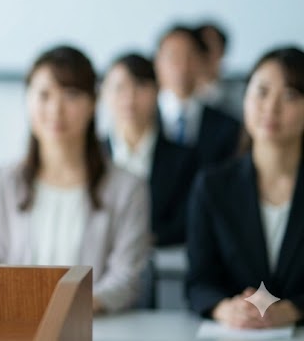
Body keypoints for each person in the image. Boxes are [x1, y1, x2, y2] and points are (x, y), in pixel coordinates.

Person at [0, 46, 150, 313]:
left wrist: (68, 309)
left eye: (71, 94)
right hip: (14, 325)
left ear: (93, 103)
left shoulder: (127, 188)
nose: (56, 109)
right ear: (28, 100)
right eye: (44, 95)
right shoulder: (1, 182)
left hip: (94, 329)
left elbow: (126, 279)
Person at [186, 46, 304, 329]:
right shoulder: (212, 186)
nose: (271, 107)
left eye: (289, 95)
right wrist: (225, 308)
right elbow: (199, 282)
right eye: (261, 92)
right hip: (237, 333)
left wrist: (294, 310)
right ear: (245, 98)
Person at [101, 53, 197, 247]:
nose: (130, 97)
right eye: (119, 88)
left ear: (157, 91)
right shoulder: (90, 156)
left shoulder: (186, 159)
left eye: (140, 86)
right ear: (104, 94)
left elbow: (188, 222)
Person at [155, 25, 240, 167]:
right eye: (173, 57)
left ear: (202, 62)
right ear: (157, 62)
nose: (182, 66)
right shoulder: (141, 116)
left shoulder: (227, 126)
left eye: (189, 56)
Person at [195, 22, 244, 119]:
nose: (205, 55)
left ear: (222, 51)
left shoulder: (241, 93)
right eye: (201, 47)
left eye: (209, 47)